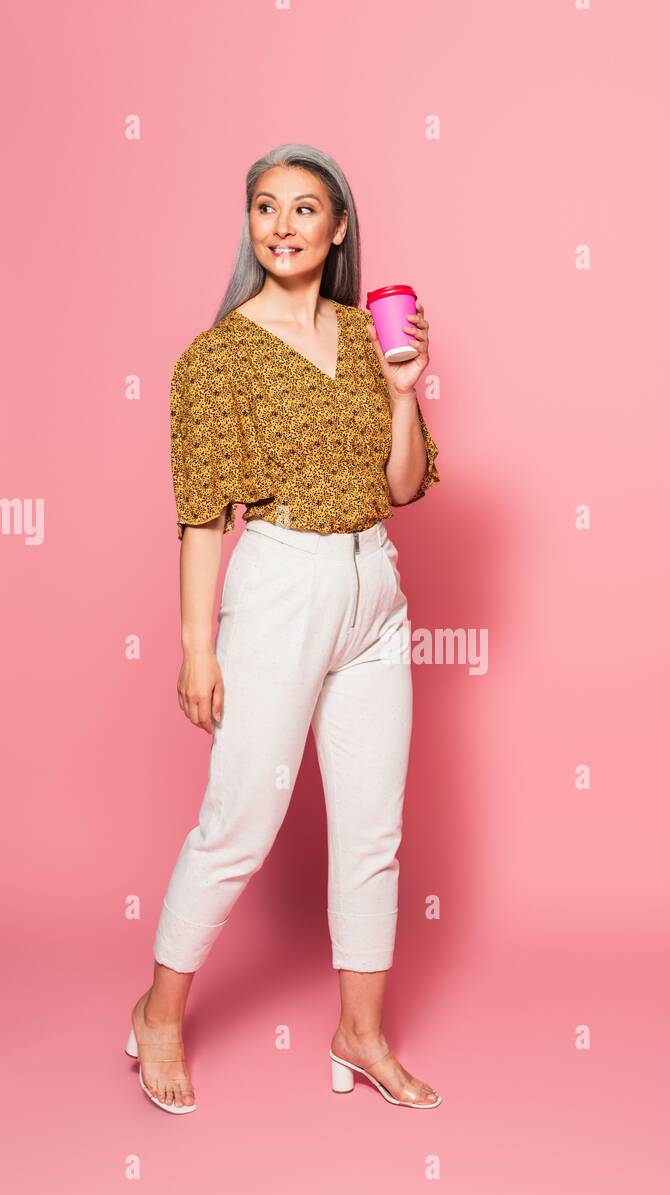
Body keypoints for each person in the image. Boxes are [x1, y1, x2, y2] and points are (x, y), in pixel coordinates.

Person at [125, 143, 443, 1114]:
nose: (284, 225)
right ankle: (160, 1016)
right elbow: (199, 514)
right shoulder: (217, 356)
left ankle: (360, 1033)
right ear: (251, 224)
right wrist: (194, 645)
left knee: (373, 832)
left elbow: (402, 487)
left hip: (373, 591)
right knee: (238, 824)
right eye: (266, 207)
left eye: (307, 209)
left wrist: (403, 392)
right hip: (280, 588)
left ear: (339, 228)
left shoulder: (362, 338)